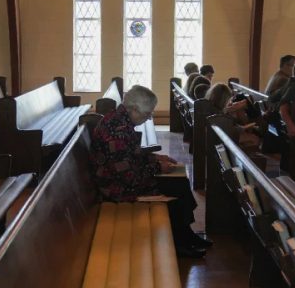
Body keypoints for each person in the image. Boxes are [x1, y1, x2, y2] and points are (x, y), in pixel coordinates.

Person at [90, 85, 213, 257]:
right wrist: (157, 168)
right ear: (133, 109)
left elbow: (131, 154)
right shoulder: (116, 131)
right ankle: (179, 243)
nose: (148, 119)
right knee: (176, 190)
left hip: (120, 178)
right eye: (147, 114)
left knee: (181, 183)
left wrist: (155, 158)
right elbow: (128, 176)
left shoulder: (120, 119)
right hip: (117, 188)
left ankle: (186, 235)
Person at [206, 83, 261, 152]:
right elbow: (230, 130)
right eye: (229, 100)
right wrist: (244, 128)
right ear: (224, 100)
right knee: (254, 139)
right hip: (222, 140)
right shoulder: (219, 116)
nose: (230, 103)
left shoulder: (212, 108)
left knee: (250, 137)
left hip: (220, 137)